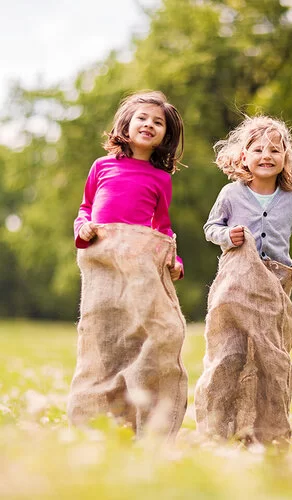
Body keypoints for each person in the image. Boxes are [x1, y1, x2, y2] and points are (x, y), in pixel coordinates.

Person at [67, 90, 188, 440]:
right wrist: (82, 228)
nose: (149, 125)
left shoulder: (160, 178)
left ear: (166, 135)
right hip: (102, 264)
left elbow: (162, 228)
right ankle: (94, 420)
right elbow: (85, 208)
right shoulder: (101, 166)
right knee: (103, 340)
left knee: (141, 334)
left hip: (138, 266)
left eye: (158, 122)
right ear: (126, 124)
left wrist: (173, 259)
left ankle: (145, 418)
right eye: (143, 119)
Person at [195, 115, 292, 447]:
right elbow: (211, 228)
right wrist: (226, 235)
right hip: (235, 283)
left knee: (270, 356)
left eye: (275, 150)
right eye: (258, 149)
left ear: (285, 159)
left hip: (275, 284)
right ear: (244, 157)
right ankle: (216, 430)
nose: (267, 156)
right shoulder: (231, 193)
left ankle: (267, 433)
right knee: (228, 354)